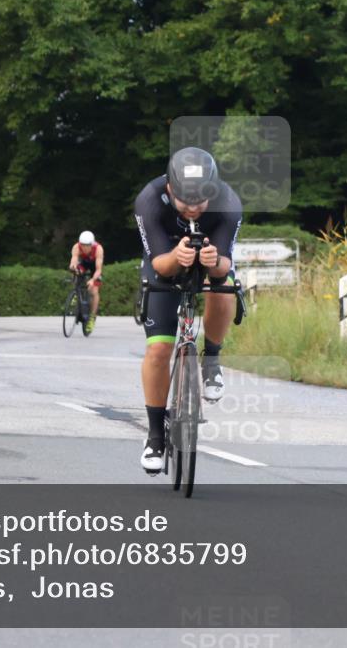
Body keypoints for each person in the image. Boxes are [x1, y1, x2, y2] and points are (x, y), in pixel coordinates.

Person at [133, 147, 242, 473]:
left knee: (224, 287)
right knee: (159, 349)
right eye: (185, 203)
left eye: (201, 203)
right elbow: (159, 265)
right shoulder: (149, 200)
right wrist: (176, 257)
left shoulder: (229, 202)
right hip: (165, 258)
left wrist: (214, 262)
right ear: (170, 190)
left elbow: (224, 265)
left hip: (211, 256)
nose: (193, 209)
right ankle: (155, 436)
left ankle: (211, 360)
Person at [68, 230, 104, 334]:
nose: (84, 248)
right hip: (84, 263)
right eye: (82, 245)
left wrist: (92, 280)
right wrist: (73, 266)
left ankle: (92, 317)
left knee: (94, 291)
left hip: (95, 268)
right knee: (76, 271)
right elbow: (74, 259)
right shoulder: (76, 247)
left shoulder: (98, 249)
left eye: (87, 245)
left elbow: (98, 270)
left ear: (92, 244)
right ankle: (76, 293)